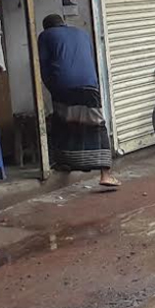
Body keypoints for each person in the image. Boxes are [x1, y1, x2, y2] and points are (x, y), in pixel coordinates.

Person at [38, 15, 119, 188]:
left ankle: (64, 162)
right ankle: (105, 174)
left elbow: (44, 67)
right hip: (89, 83)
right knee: (97, 125)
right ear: (63, 23)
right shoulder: (81, 33)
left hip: (62, 83)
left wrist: (53, 88)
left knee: (62, 122)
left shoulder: (45, 36)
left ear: (46, 27)